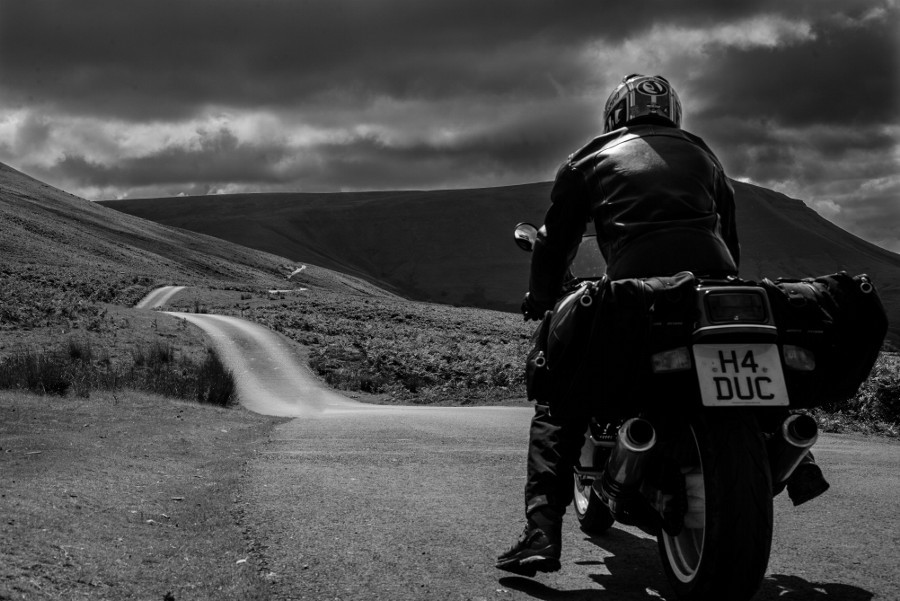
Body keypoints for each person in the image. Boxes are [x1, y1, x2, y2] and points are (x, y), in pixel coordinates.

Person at [496, 73, 829, 576]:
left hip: (636, 292)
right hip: (714, 285)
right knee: (742, 363)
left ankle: (541, 530)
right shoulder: (704, 155)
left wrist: (541, 297)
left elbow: (555, 241)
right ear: (672, 114)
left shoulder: (588, 158)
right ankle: (796, 459)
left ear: (614, 115)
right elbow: (729, 237)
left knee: (558, 399)